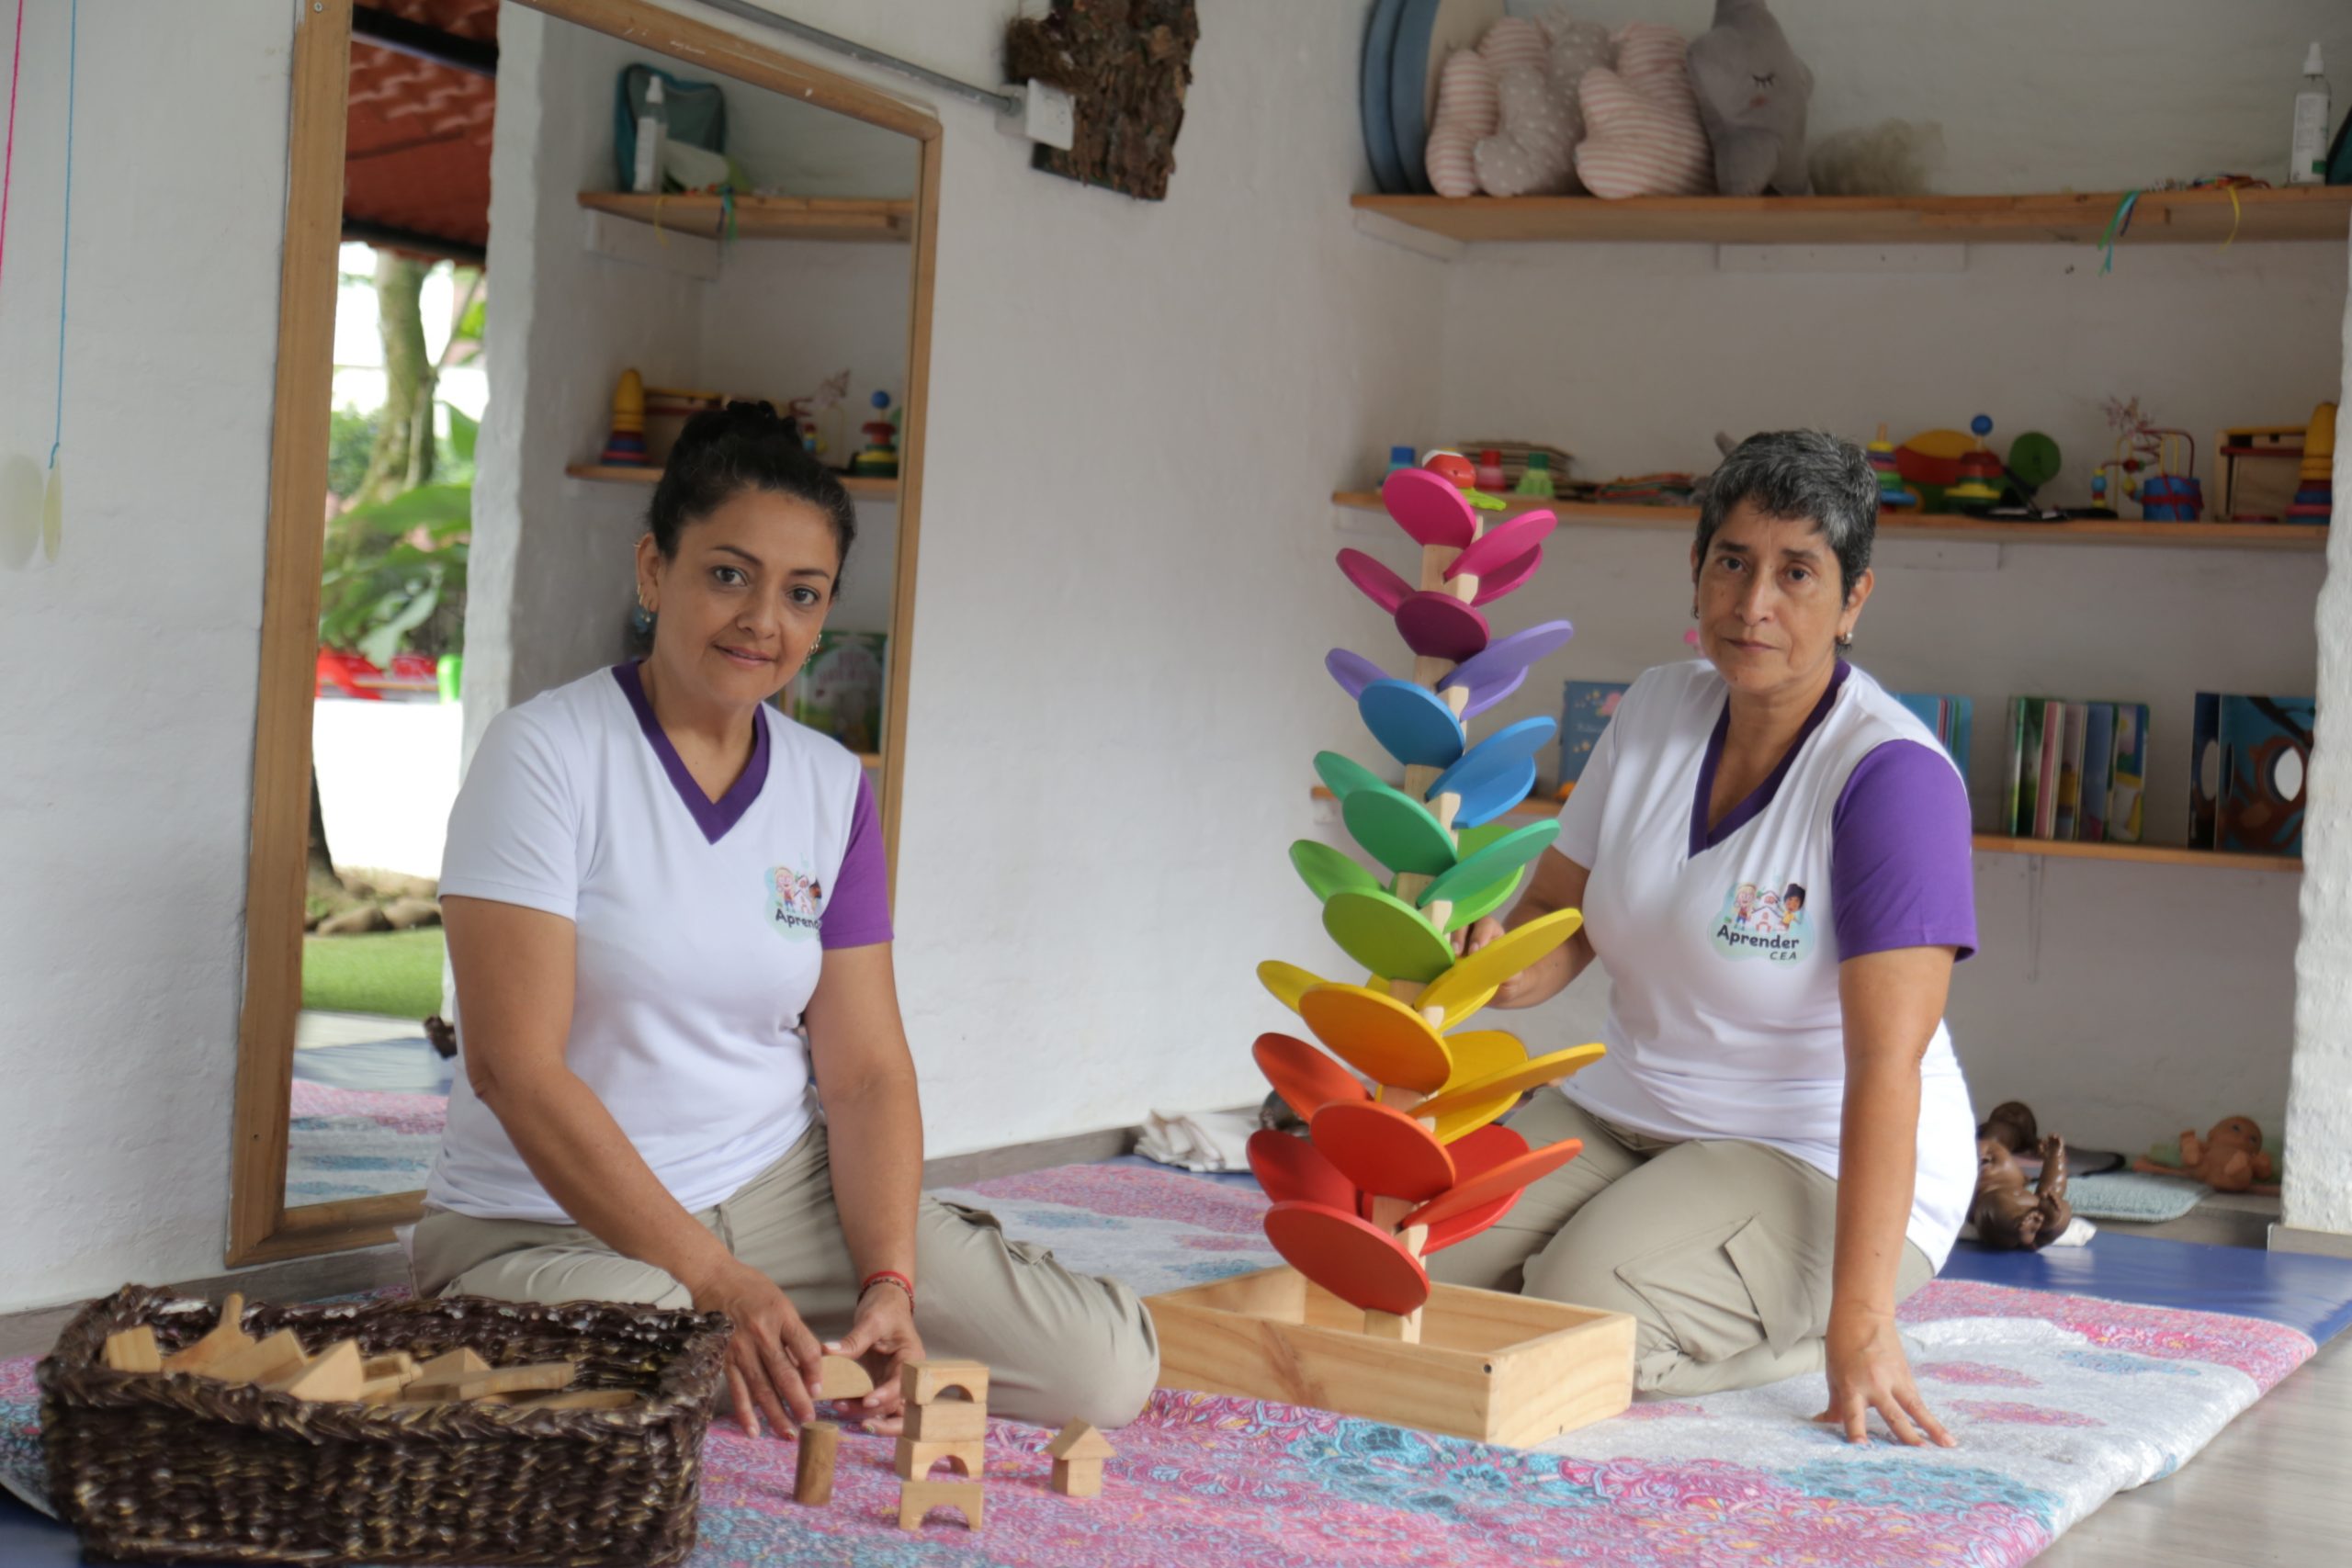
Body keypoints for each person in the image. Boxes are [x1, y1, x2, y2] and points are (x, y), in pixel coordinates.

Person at [409, 403, 1158, 1438]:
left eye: (801, 594)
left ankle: (776, 1338)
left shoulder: (830, 784)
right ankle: (657, 1335)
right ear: (653, 571)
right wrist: (715, 1278)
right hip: (545, 1220)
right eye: (729, 575)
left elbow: (865, 1074)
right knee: (661, 1336)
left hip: (773, 1194)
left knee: (1101, 1372)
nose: (763, 619)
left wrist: (888, 1280)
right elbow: (512, 1068)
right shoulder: (542, 756)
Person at [1431, 430, 1977, 1447]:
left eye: (1797, 572)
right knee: (1405, 1256)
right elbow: (1561, 919)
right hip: (1625, 1108)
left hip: (1805, 1148)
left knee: (1572, 1316)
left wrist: (1858, 1320)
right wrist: (1495, 960)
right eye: (1732, 561)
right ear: (1696, 570)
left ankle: (1809, 1335)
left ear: (1853, 600)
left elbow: (1887, 1066)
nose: (1752, 602)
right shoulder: (1651, 708)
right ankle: (1603, 1263)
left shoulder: (1893, 779)